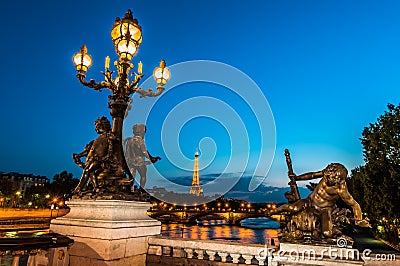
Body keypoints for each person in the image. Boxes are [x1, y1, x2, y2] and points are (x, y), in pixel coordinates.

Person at [272, 163, 369, 238]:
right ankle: (273, 211)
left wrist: (359, 219)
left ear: (338, 180)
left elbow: (354, 204)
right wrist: (297, 178)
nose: (326, 179)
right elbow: (312, 175)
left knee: (327, 233)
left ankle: (337, 232)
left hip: (324, 209)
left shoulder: (341, 189)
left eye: (329, 178)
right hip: (310, 201)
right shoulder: (327, 173)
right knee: (293, 207)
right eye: (326, 176)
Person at [72, 116, 114, 193]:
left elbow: (111, 149)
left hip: (99, 160)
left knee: (87, 170)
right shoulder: (97, 139)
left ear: (103, 126)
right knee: (92, 172)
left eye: (97, 126)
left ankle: (79, 188)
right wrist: (79, 156)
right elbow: (89, 151)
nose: (96, 129)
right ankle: (96, 187)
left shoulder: (108, 136)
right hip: (92, 159)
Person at [125, 124, 160, 189]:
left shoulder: (129, 140)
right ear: (141, 131)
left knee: (131, 177)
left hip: (130, 161)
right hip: (140, 161)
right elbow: (144, 152)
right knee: (143, 176)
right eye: (144, 132)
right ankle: (141, 190)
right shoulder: (140, 140)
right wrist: (151, 158)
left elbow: (127, 152)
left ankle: (130, 189)